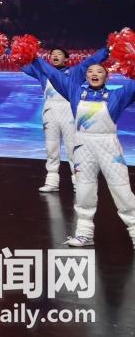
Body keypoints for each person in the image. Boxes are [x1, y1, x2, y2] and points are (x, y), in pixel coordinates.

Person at [21, 43, 135, 248]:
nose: (94, 73)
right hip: (83, 146)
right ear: (85, 76)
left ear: (106, 77)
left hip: (109, 147)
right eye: (90, 71)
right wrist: (33, 56)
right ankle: (84, 234)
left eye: (99, 71)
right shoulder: (74, 91)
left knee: (122, 190)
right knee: (84, 190)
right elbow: (52, 74)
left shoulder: (117, 95)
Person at [22, 45, 106, 193]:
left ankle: (79, 183)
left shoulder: (75, 72)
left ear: (66, 58)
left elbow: (93, 60)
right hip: (50, 112)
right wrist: (7, 50)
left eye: (59, 54)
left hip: (69, 111)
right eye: (53, 54)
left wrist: (109, 48)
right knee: (51, 147)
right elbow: (22, 62)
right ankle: (52, 181)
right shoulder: (43, 72)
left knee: (73, 148)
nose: (55, 55)